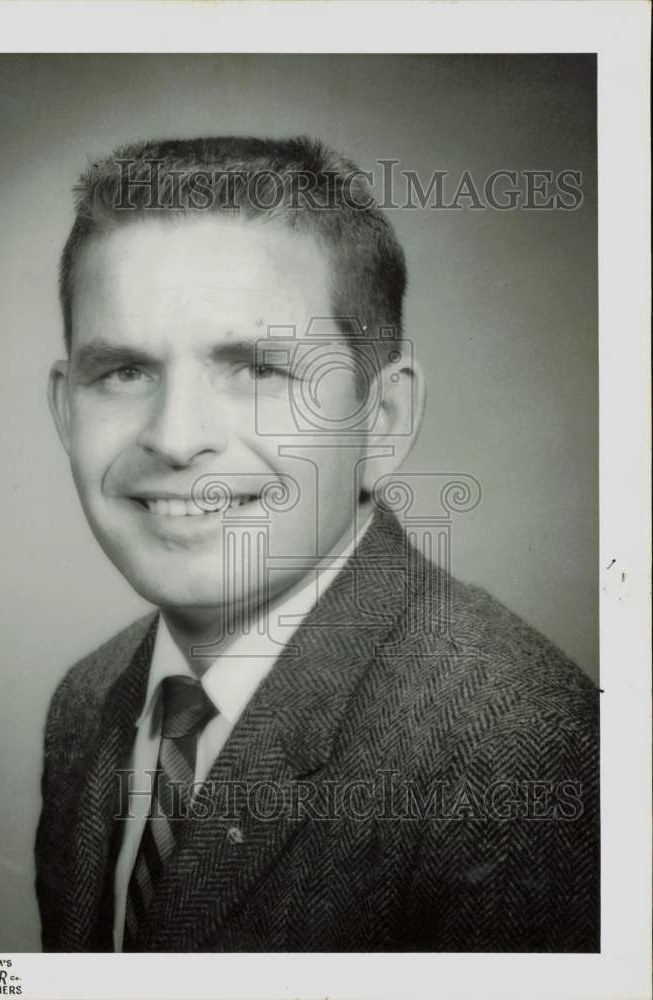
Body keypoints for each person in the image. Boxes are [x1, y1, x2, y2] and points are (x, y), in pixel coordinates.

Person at [35, 136, 599, 952]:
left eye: (259, 369)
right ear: (64, 410)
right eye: (124, 371)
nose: (174, 437)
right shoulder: (88, 702)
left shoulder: (512, 751)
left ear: (383, 419)